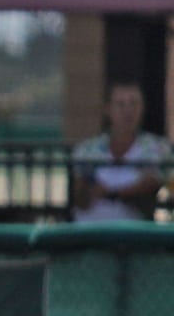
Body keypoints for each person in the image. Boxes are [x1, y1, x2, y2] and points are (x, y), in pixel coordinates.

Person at [71, 80, 172, 222]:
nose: (128, 110)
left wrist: (113, 193)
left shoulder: (159, 149)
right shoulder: (87, 150)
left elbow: (153, 187)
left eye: (134, 103)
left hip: (136, 235)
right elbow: (80, 197)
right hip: (91, 232)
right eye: (120, 104)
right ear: (107, 108)